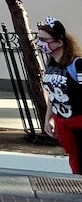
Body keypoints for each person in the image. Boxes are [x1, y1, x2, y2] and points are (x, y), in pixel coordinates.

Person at [38, 17, 82, 174]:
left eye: (44, 39)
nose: (39, 43)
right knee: (75, 161)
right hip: (63, 123)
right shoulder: (51, 64)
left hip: (79, 123)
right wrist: (47, 118)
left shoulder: (77, 65)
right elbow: (53, 95)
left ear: (60, 42)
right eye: (38, 38)